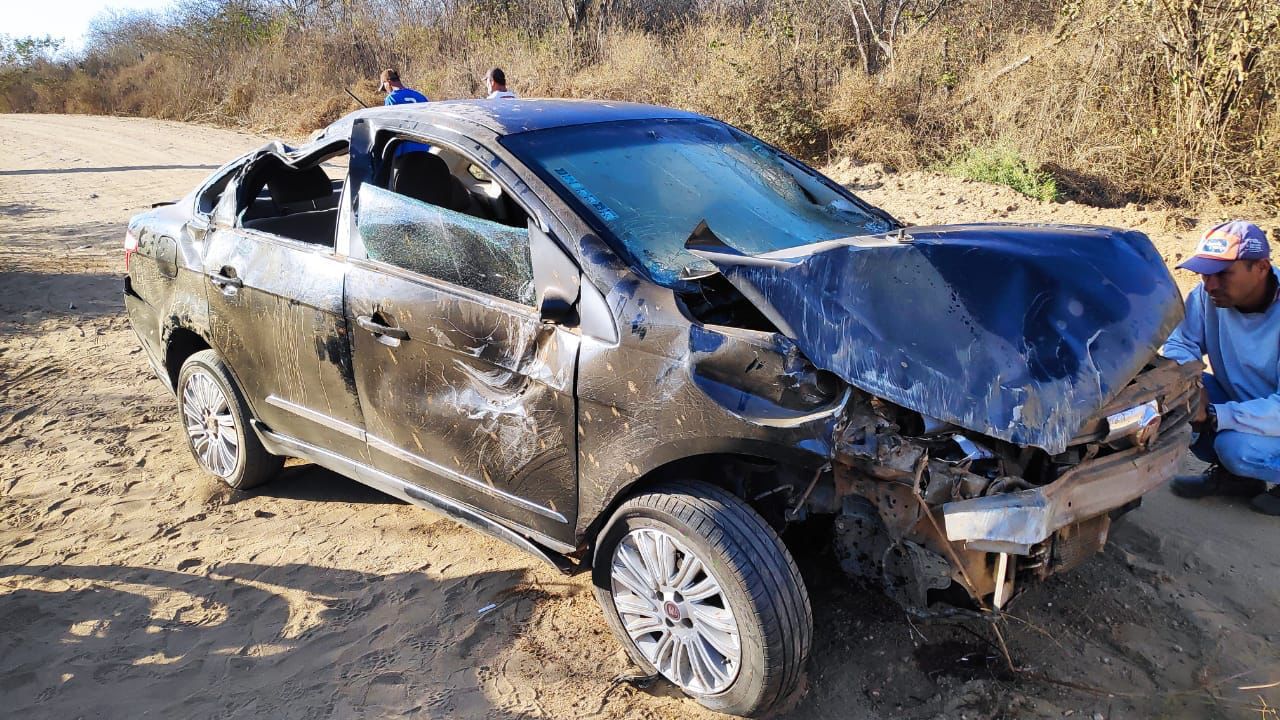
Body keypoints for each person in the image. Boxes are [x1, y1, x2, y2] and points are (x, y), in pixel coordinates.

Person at [1161, 220, 1280, 515]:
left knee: (1235, 448)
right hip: (1249, 402)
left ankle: (1243, 468)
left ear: (1262, 267)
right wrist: (1192, 385)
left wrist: (1215, 414)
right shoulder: (1208, 296)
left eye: (1224, 274)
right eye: (1205, 273)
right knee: (1176, 400)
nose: (1210, 284)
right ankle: (1239, 481)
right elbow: (1180, 343)